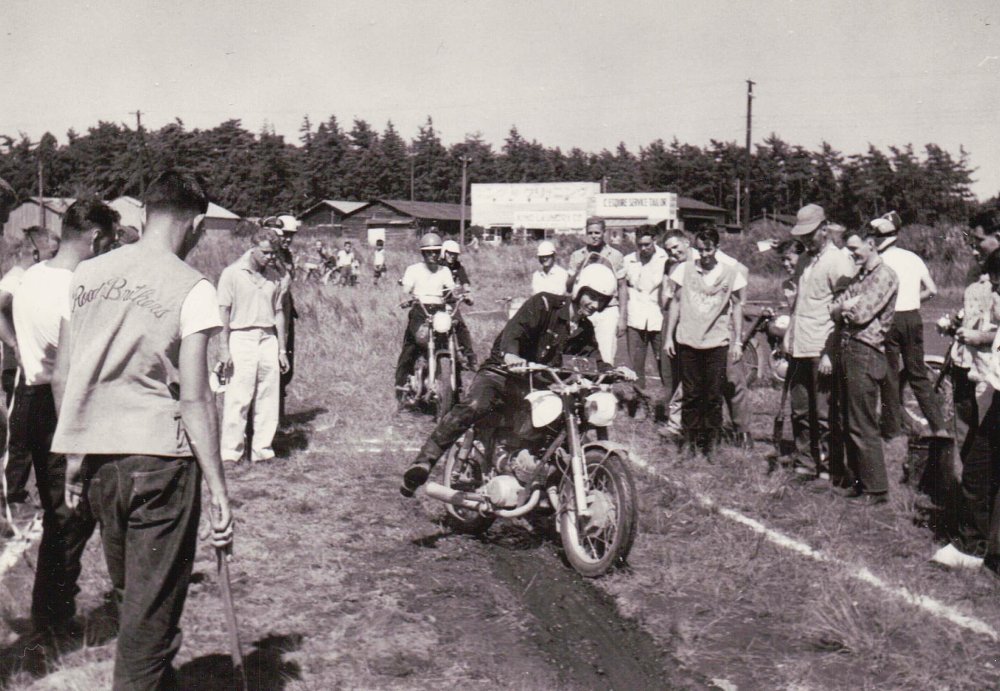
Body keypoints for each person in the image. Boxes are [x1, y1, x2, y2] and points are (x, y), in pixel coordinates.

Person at [52, 170, 233, 689]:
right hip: (160, 466)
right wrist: (219, 490)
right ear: (196, 223)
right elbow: (196, 398)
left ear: (145, 213)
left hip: (100, 463)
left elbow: (65, 375)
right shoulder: (193, 286)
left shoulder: (84, 275)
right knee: (147, 626)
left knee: (136, 599)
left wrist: (72, 456)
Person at [401, 263, 626, 496]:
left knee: (565, 422)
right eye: (592, 296)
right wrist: (511, 355)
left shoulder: (585, 329)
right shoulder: (544, 304)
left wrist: (613, 371)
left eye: (601, 300)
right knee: (475, 405)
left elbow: (592, 361)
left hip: (539, 384)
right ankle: (423, 463)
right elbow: (515, 330)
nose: (595, 304)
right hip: (502, 373)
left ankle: (546, 477)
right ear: (580, 289)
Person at [11, 198, 118, 631]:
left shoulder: (32, 276)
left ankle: (50, 610)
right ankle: (53, 617)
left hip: (30, 399)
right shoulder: (77, 287)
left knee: (61, 514)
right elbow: (76, 368)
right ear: (95, 238)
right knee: (72, 515)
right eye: (109, 241)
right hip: (60, 403)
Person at [932, 204, 1000, 572]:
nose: (974, 249)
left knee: (980, 464)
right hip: (980, 375)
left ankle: (974, 546)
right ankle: (979, 544)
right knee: (977, 458)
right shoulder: (979, 276)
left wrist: (979, 335)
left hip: (991, 378)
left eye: (979, 241)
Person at [782, 204, 855, 479]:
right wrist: (788, 335)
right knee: (800, 410)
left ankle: (828, 469)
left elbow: (844, 310)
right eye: (802, 235)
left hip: (821, 347)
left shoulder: (838, 261)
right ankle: (805, 463)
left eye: (810, 234)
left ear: (824, 229)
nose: (805, 240)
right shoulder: (803, 261)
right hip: (799, 345)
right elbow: (798, 304)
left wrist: (830, 352)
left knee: (824, 414)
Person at [828, 227, 899, 505]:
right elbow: (833, 308)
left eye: (856, 249)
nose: (852, 254)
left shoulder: (885, 276)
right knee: (847, 419)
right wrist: (843, 307)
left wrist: (845, 307)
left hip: (866, 352)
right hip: (849, 349)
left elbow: (859, 314)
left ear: (871, 245)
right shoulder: (861, 277)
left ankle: (876, 490)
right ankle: (860, 483)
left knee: (862, 422)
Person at [664, 228, 746, 455]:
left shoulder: (731, 274)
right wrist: (669, 336)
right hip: (688, 341)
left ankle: (711, 444)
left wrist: (738, 341)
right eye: (700, 250)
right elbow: (676, 302)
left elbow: (738, 306)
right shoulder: (685, 270)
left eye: (709, 249)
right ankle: (690, 442)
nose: (704, 255)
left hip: (716, 343)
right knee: (691, 394)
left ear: (717, 248)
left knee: (713, 395)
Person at [870, 211, 949, 438]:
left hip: (890, 319)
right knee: (918, 375)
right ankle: (939, 427)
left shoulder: (879, 260)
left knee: (890, 375)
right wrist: (913, 299)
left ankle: (892, 429)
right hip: (912, 318)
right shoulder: (913, 257)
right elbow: (932, 290)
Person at [0, 228, 60, 512]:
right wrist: (14, 344)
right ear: (35, 252)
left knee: (32, 431)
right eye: (52, 253)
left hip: (32, 368)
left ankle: (22, 490)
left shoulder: (35, 279)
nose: (55, 260)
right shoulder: (16, 280)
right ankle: (9, 493)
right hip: (18, 369)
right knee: (18, 435)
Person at [217, 227, 289, 463]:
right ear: (253, 248)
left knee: (268, 396)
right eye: (266, 253)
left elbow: (279, 312)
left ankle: (263, 450)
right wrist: (223, 348)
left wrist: (281, 349)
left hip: (268, 337)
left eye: (273, 253)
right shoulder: (232, 274)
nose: (270, 258)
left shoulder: (275, 277)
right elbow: (223, 312)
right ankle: (231, 452)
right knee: (239, 395)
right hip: (241, 337)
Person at [394, 232, 455, 403]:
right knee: (411, 346)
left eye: (436, 251)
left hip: (440, 310)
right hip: (420, 310)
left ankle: (453, 386)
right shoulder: (413, 270)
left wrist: (458, 294)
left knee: (451, 344)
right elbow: (405, 289)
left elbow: (451, 289)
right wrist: (405, 298)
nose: (433, 255)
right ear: (423, 253)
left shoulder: (445, 270)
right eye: (429, 252)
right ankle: (400, 385)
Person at [622, 226, 669, 421]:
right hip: (636, 318)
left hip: (659, 317)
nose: (643, 249)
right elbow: (623, 288)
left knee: (665, 364)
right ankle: (640, 404)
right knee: (636, 366)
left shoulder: (665, 259)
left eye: (647, 245)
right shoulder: (628, 261)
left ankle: (667, 407)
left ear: (655, 241)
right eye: (640, 245)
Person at [567, 217, 627, 363]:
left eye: (597, 233)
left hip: (607, 310)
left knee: (606, 355)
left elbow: (622, 287)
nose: (594, 236)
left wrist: (623, 317)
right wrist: (579, 268)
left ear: (604, 233)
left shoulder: (615, 255)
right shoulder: (577, 255)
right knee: (581, 354)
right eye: (590, 232)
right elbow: (568, 287)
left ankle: (604, 386)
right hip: (584, 311)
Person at [263, 215, 299, 425]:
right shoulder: (268, 255)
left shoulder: (286, 255)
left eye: (291, 236)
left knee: (286, 365)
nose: (287, 239)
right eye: (285, 235)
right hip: (271, 313)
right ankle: (269, 418)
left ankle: (279, 415)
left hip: (285, 313)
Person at [441, 239, 477, 368]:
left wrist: (468, 293)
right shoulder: (438, 265)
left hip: (451, 303)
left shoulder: (458, 266)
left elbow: (464, 280)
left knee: (460, 326)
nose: (452, 256)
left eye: (455, 254)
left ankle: (470, 357)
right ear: (444, 252)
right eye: (450, 253)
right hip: (436, 302)